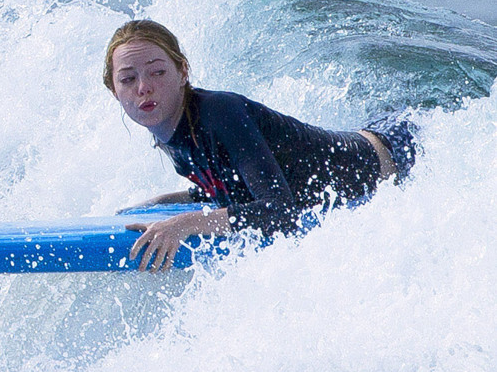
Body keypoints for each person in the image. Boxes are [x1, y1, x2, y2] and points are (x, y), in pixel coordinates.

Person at [103, 19, 416, 272]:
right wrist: (163, 202)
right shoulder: (171, 133)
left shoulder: (219, 113)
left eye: (157, 72)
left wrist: (183, 225)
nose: (144, 87)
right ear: (114, 90)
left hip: (403, 149)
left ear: (183, 72)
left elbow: (280, 212)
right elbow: (232, 184)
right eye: (128, 79)